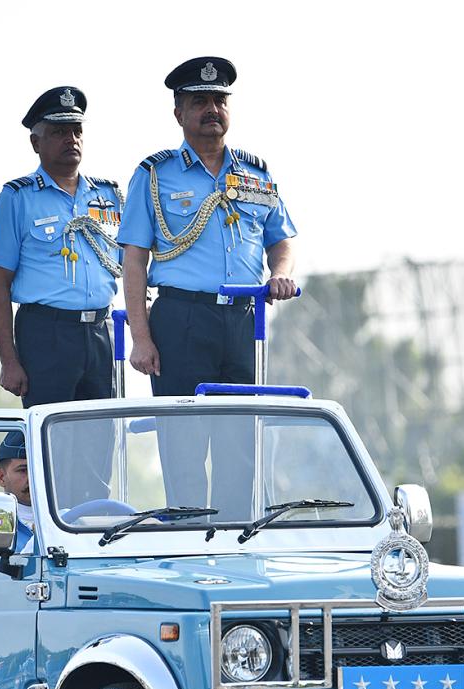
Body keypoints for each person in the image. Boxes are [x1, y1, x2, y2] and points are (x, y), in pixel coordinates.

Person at [117, 57, 298, 519]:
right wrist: (141, 336)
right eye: (200, 102)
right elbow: (134, 259)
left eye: (219, 100)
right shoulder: (155, 174)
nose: (212, 109)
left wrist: (279, 272)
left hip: (242, 319)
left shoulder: (256, 173)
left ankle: (238, 535)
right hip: (181, 318)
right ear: (179, 112)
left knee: (241, 441)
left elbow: (282, 240)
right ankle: (191, 540)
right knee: (183, 443)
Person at [0, 86, 121, 505]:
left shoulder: (109, 195)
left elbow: (129, 264)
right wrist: (9, 359)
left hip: (98, 330)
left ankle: (93, 536)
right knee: (50, 449)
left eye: (77, 129)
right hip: (46, 333)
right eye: (60, 131)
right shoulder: (17, 197)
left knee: (100, 445)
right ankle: (54, 537)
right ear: (36, 142)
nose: (71, 139)